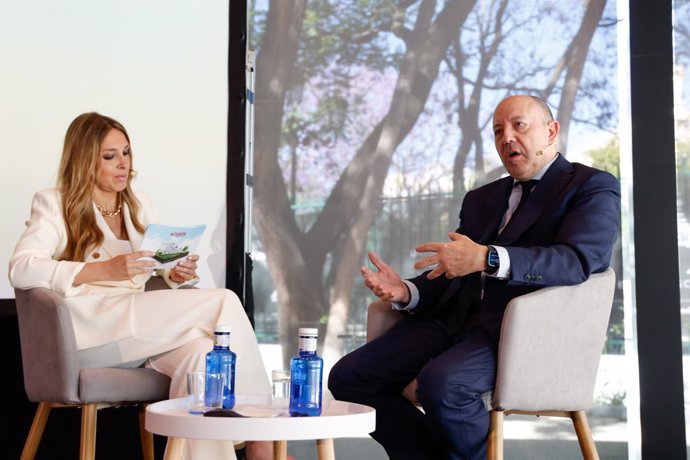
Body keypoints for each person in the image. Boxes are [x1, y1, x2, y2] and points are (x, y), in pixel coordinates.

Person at [328, 95, 621, 460]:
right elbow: (455, 268)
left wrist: (488, 257)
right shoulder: (482, 198)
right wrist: (406, 291)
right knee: (349, 378)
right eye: (498, 131)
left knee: (444, 385)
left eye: (519, 125)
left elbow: (579, 260)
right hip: (450, 323)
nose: (507, 137)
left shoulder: (590, 185)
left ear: (551, 131)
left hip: (517, 333)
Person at [9, 112, 274, 460]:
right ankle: (261, 441)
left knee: (203, 355)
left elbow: (155, 268)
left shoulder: (139, 205)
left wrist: (174, 275)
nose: (123, 164)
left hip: (139, 332)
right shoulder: (54, 203)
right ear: (84, 160)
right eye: (110, 156)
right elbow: (21, 269)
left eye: (127, 153)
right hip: (89, 335)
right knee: (223, 300)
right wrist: (101, 268)